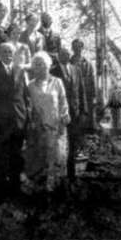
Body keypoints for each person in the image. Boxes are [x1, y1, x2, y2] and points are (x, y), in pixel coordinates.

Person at [0, 41, 29, 203]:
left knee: (16, 157)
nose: (8, 55)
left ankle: (16, 192)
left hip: (18, 120)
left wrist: (26, 119)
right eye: (5, 52)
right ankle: (0, 195)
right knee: (1, 159)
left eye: (10, 52)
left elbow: (25, 97)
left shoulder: (20, 71)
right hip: (1, 122)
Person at [25, 50, 70, 191]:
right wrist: (32, 122)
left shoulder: (57, 82)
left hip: (56, 126)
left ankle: (55, 190)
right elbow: (28, 106)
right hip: (38, 128)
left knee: (56, 158)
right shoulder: (30, 86)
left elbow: (63, 102)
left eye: (43, 64)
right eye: (37, 64)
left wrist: (65, 115)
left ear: (48, 66)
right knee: (40, 158)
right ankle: (40, 190)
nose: (40, 67)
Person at [51, 47, 87, 180]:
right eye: (62, 54)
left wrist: (84, 110)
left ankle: (71, 174)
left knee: (73, 142)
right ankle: (59, 173)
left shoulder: (76, 69)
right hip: (59, 112)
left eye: (67, 54)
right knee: (59, 142)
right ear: (58, 56)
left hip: (75, 112)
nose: (65, 56)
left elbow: (81, 90)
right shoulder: (53, 71)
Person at [71, 38, 96, 133]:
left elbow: (92, 80)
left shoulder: (88, 63)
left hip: (87, 94)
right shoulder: (70, 62)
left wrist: (93, 96)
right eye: (75, 47)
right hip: (75, 94)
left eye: (79, 47)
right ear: (72, 48)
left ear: (82, 48)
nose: (77, 49)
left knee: (87, 117)